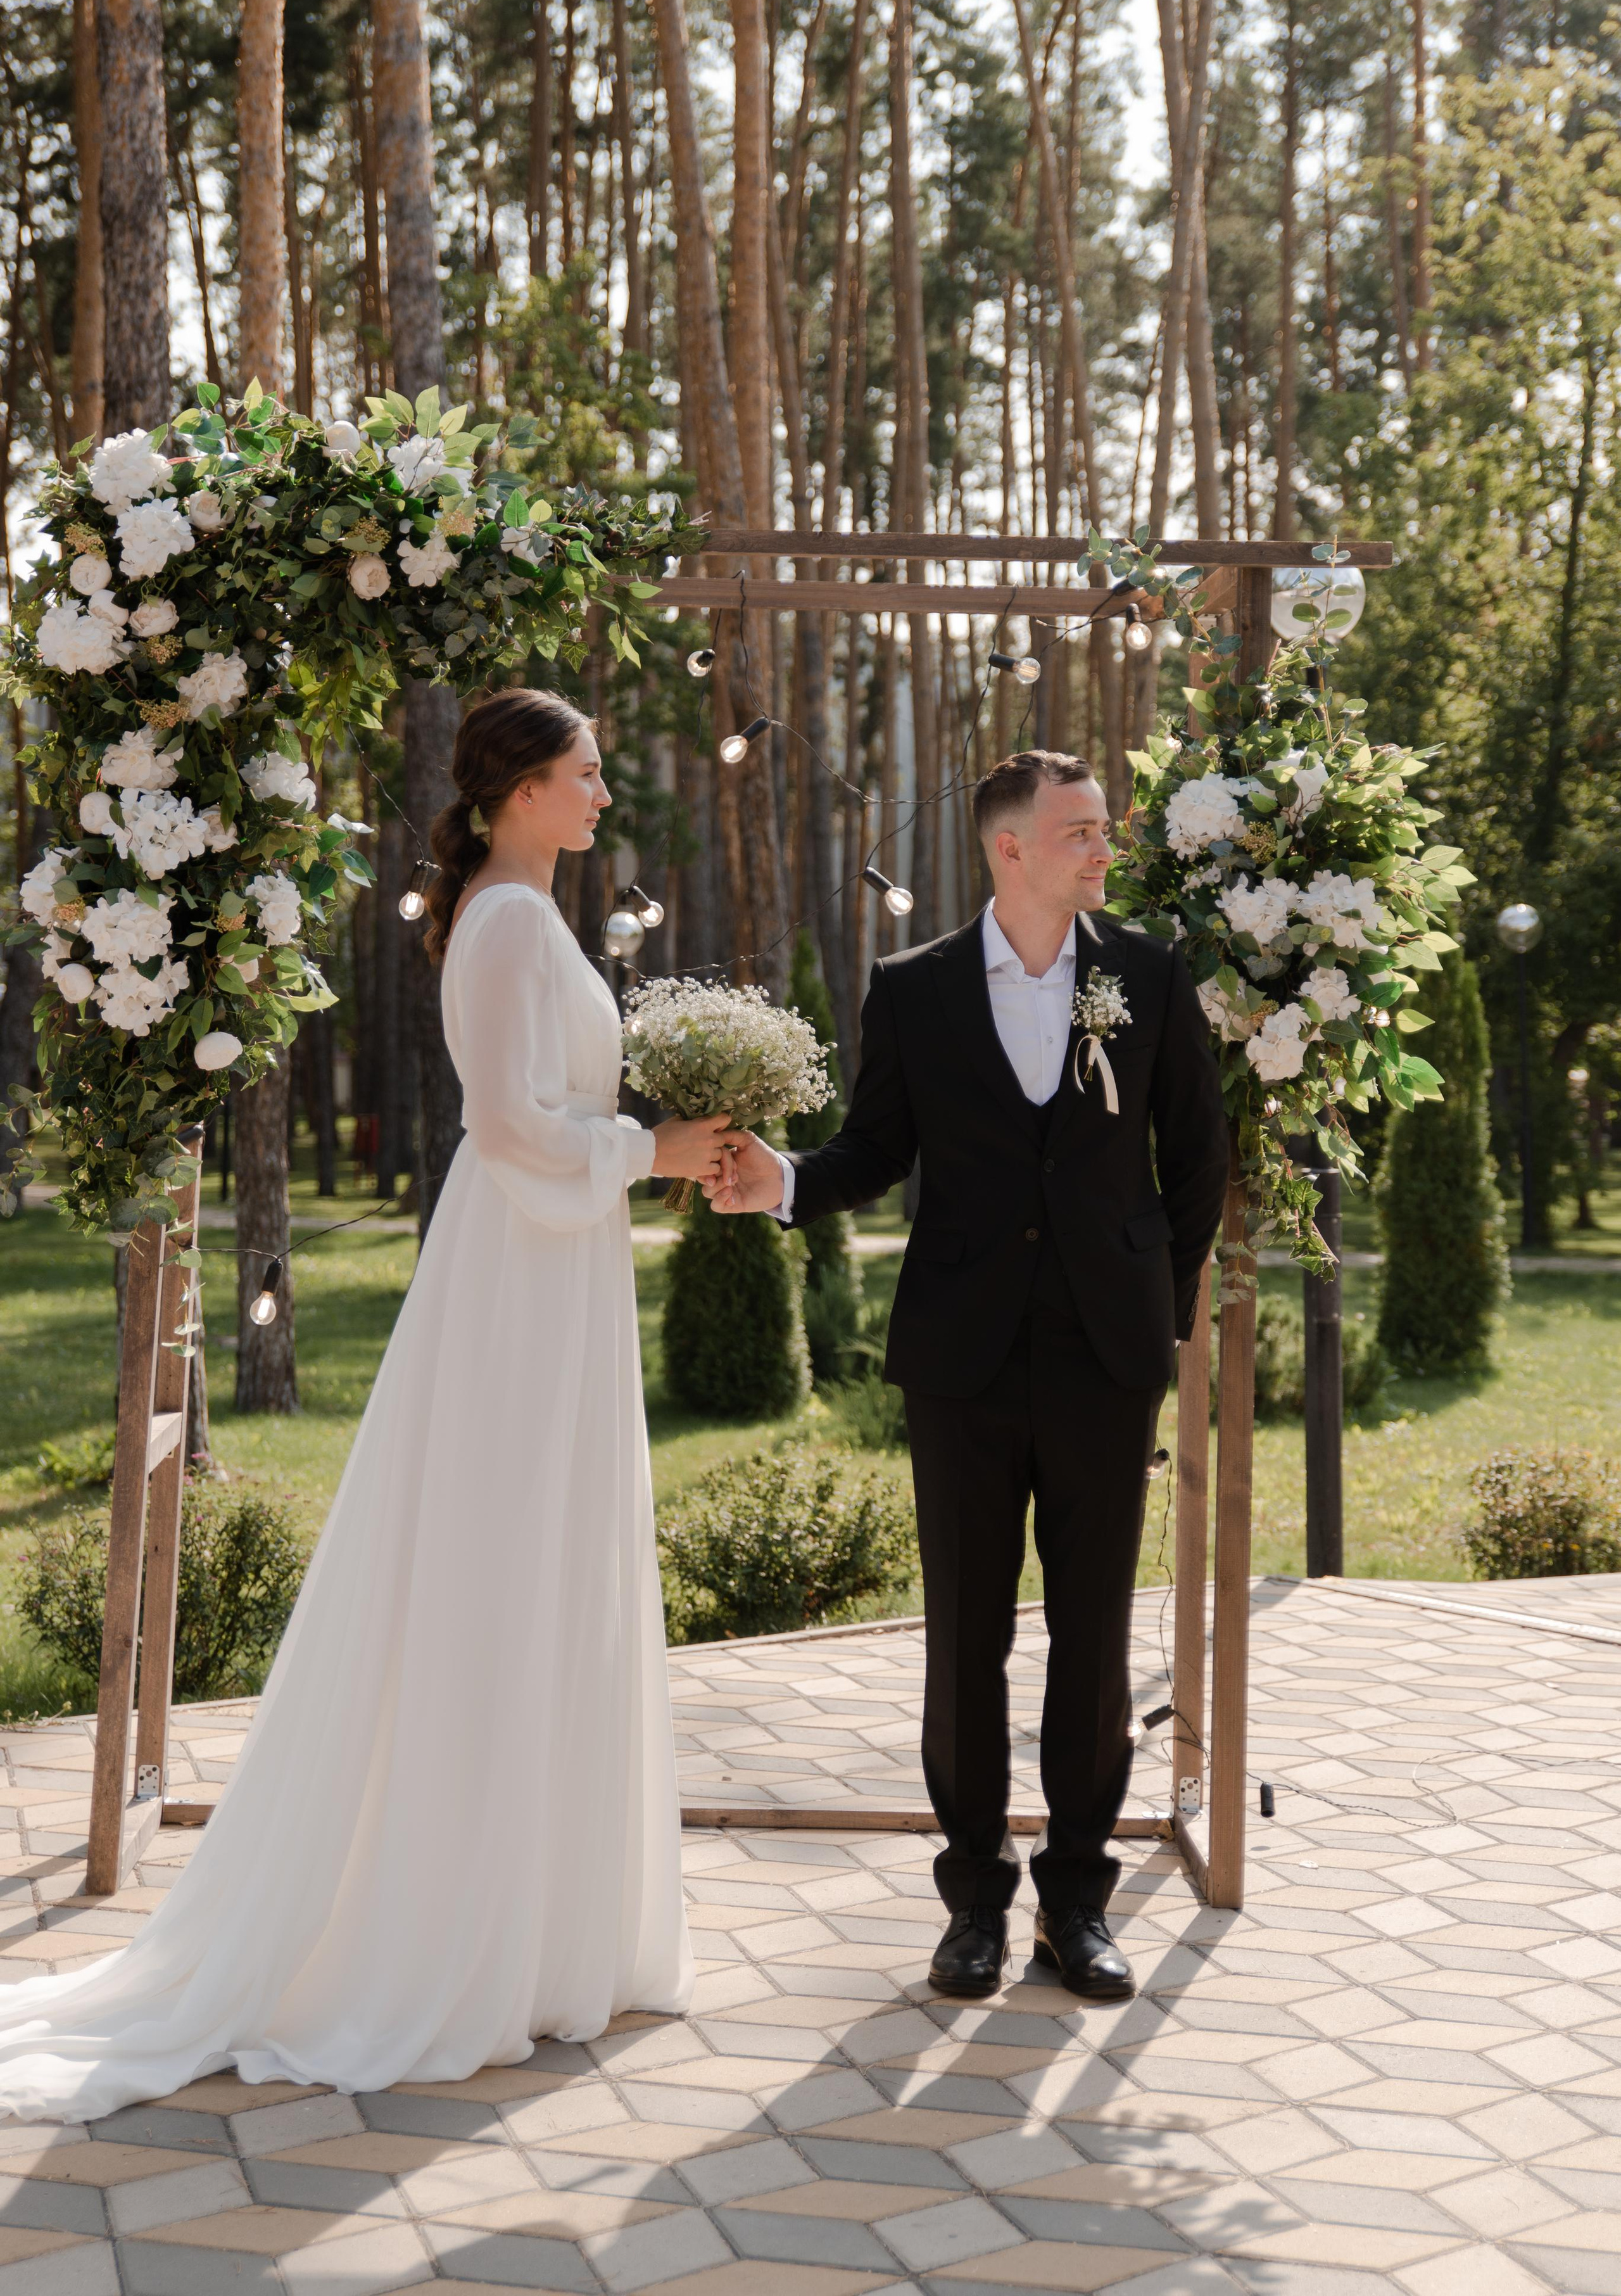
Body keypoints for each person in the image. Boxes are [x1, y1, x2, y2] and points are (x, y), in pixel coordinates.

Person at [0, 686, 731, 2122]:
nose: (601, 796)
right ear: (520, 786)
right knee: (506, 1563)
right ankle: (460, 1934)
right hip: (522, 1274)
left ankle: (532, 1922)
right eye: (584, 774)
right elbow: (513, 1124)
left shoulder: (521, 910)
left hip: (542, 1267)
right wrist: (658, 1147)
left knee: (532, 1563)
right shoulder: (515, 921)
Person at [709, 749, 1228, 2001]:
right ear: (1008, 847)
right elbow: (873, 1149)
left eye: (1102, 829)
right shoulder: (917, 988)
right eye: (1079, 831)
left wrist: (1153, 1324)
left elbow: (1196, 1166)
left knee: (1094, 1639)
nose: (1102, 848)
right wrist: (776, 1183)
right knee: (964, 1643)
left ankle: (1078, 1904)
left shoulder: (1148, 976)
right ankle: (972, 1907)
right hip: (959, 1357)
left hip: (1106, 1360)